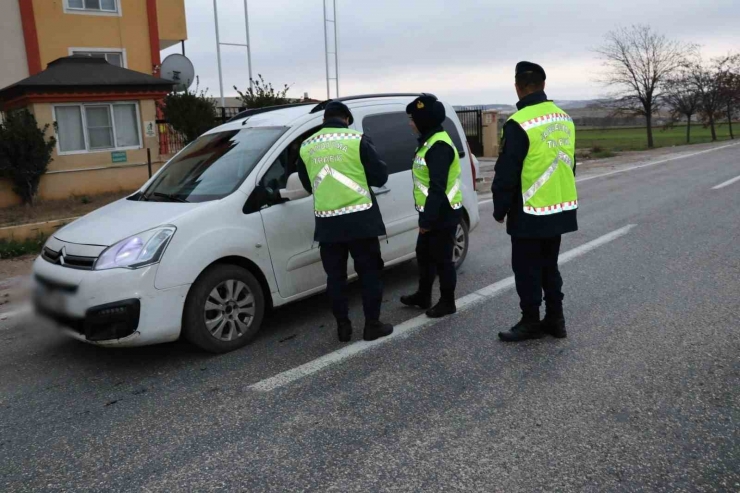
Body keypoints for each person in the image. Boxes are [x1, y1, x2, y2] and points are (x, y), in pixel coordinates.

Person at [492, 61, 579, 342]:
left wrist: (500, 207)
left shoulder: (519, 122)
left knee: (527, 268)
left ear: (518, 87)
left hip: (529, 209)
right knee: (549, 265)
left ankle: (530, 321)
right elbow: (570, 163)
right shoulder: (564, 118)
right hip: (559, 206)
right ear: (543, 85)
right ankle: (556, 319)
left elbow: (508, 170)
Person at [297, 101, 394, 343]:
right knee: (370, 273)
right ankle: (372, 325)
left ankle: (343, 327)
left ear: (324, 120)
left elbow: (308, 185)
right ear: (347, 119)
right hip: (361, 220)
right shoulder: (356, 139)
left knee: (336, 278)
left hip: (328, 224)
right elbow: (380, 176)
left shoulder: (306, 146)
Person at [400, 94, 463, 318]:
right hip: (432, 211)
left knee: (443, 259)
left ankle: (448, 302)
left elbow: (437, 187)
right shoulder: (428, 141)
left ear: (424, 120)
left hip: (442, 212)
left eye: (413, 119)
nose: (410, 123)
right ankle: (423, 295)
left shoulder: (439, 146)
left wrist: (427, 220)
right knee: (424, 254)